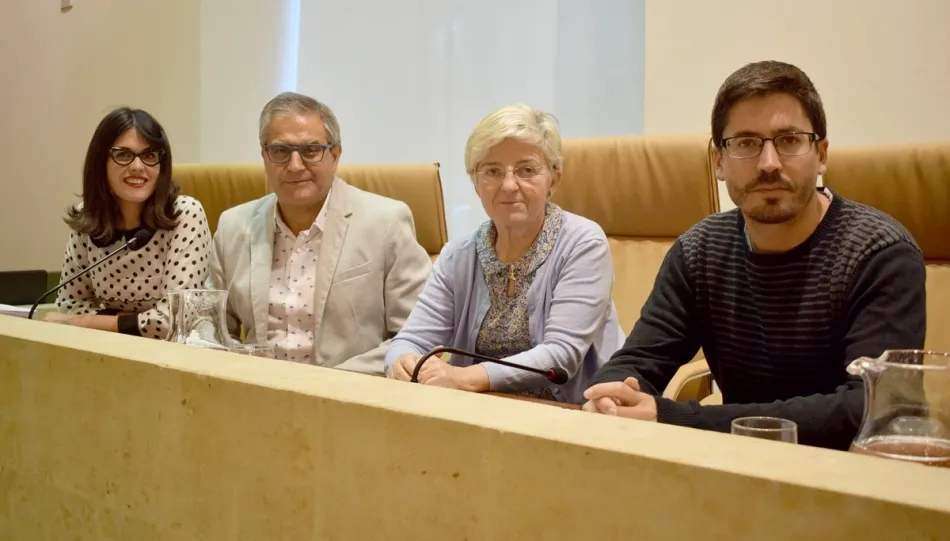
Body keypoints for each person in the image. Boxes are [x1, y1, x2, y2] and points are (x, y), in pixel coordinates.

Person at [582, 60, 927, 449]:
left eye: (789, 140)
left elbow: (867, 408)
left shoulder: (880, 254)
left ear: (821, 154)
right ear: (719, 161)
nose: (769, 163)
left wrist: (676, 417)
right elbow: (639, 360)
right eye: (746, 143)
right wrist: (610, 396)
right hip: (740, 465)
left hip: (855, 471)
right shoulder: (699, 251)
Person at [385, 104, 624, 404]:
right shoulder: (458, 255)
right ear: (475, 184)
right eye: (492, 171)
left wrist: (463, 378)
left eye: (527, 170)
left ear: (553, 180)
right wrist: (401, 362)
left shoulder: (582, 243)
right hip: (475, 412)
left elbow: (561, 355)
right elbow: (409, 340)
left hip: (569, 411)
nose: (509, 185)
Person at [207, 92, 432, 374]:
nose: (295, 165)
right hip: (255, 388)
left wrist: (328, 382)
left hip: (349, 390)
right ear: (265, 157)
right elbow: (210, 323)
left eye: (311, 150)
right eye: (280, 151)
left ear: (335, 156)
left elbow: (417, 335)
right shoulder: (233, 226)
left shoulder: (386, 222)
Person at [50, 107, 212, 338]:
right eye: (123, 155)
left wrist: (88, 321)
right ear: (100, 162)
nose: (137, 166)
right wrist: (133, 322)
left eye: (149, 155)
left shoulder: (185, 214)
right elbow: (69, 305)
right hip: (108, 349)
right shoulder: (88, 217)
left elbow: (175, 320)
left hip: (178, 352)